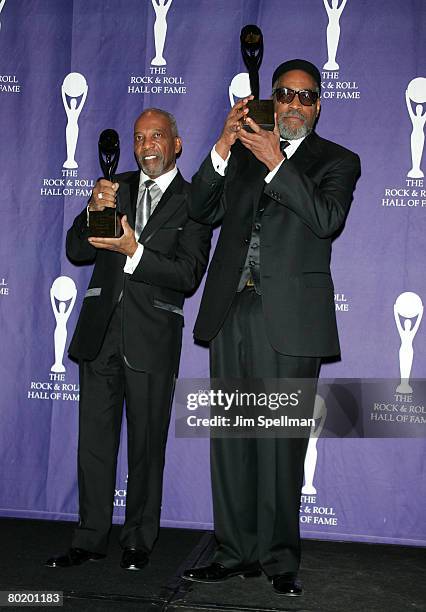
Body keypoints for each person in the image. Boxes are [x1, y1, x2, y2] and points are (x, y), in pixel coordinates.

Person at [182, 59, 360, 596]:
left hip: (290, 321)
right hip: (232, 310)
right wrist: (222, 144)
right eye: (285, 94)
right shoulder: (239, 153)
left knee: (280, 442)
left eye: (306, 97)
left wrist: (278, 162)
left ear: (319, 105)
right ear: (274, 100)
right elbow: (198, 207)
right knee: (233, 439)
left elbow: (327, 218)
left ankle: (280, 559)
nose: (294, 105)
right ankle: (234, 551)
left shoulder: (337, 160)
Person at [46, 108, 211, 570]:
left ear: (176, 144)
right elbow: (77, 250)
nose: (147, 146)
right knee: (94, 444)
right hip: (99, 335)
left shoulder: (194, 199)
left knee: (146, 445)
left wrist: (134, 250)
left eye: (157, 136)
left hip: (153, 336)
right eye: (140, 138)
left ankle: (138, 540)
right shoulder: (113, 187)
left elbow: (188, 273)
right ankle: (89, 538)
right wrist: (91, 210)